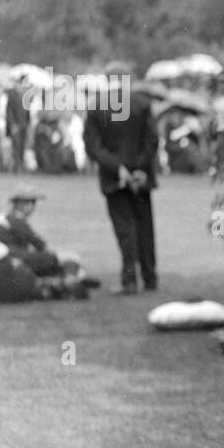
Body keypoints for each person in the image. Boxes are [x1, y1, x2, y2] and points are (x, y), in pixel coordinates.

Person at [83, 82, 160, 294]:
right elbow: (152, 139)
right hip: (141, 177)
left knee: (125, 229)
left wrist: (118, 169)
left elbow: (93, 146)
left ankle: (130, 280)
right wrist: (139, 168)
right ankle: (150, 277)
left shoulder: (97, 106)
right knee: (145, 227)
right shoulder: (142, 103)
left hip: (114, 178)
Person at [0, 187, 97, 295]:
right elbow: (42, 246)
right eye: (32, 202)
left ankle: (68, 279)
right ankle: (71, 280)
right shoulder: (16, 220)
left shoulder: (4, 218)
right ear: (22, 204)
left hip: (4, 262)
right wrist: (56, 258)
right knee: (71, 257)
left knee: (53, 263)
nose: (33, 207)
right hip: (14, 258)